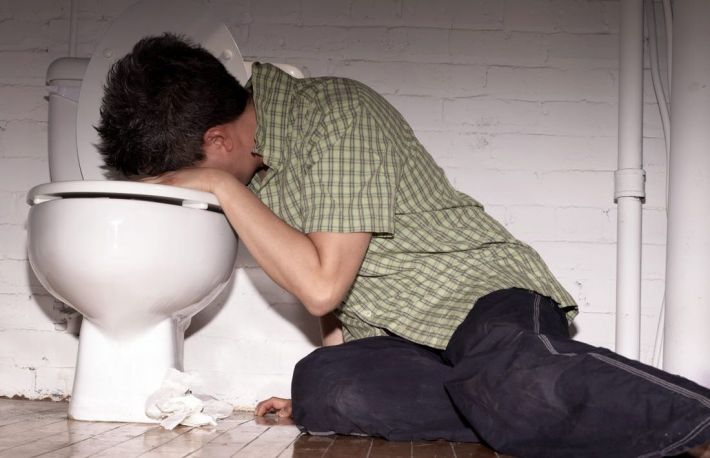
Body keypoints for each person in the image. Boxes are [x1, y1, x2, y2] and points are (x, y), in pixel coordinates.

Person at [97, 33, 710, 458]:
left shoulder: (334, 114)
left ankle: (695, 421)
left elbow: (321, 286)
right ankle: (501, 404)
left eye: (186, 174)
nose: (193, 188)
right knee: (323, 387)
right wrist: (338, 373)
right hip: (404, 339)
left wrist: (218, 188)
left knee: (511, 380)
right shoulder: (252, 174)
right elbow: (337, 304)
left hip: (482, 296)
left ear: (218, 141)